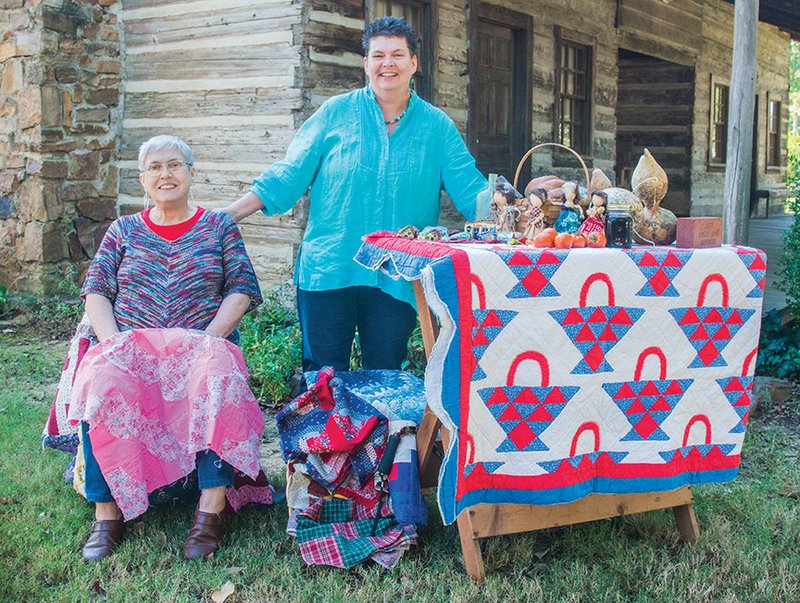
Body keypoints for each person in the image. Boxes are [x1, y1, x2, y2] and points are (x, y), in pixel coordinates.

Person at [223, 16, 487, 373]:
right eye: (378, 55)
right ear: (366, 64)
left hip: (396, 276)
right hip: (331, 268)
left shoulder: (437, 127)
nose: (387, 64)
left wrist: (521, 208)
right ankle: (326, 432)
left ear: (414, 63)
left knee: (385, 375)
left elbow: (474, 191)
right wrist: (225, 217)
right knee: (323, 379)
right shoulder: (335, 114)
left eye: (397, 54)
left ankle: (377, 431)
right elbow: (288, 174)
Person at [65, 135, 267, 562]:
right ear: (143, 180)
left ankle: (209, 514)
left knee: (217, 374)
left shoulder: (219, 227)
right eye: (155, 167)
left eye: (174, 165)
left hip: (200, 343)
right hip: (134, 345)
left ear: (191, 173)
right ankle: (107, 515)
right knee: (100, 376)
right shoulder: (122, 230)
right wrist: (115, 344)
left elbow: (242, 288)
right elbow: (97, 290)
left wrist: (209, 337)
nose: (165, 174)